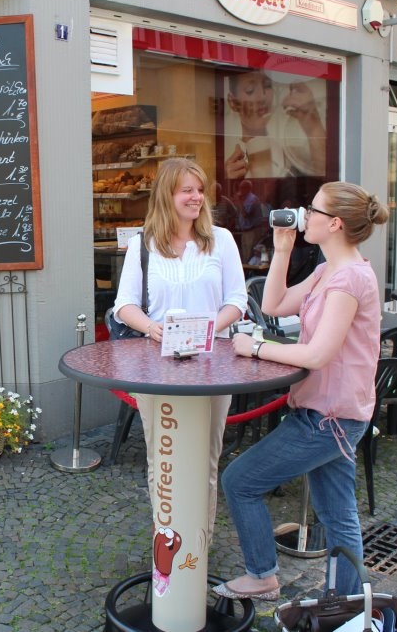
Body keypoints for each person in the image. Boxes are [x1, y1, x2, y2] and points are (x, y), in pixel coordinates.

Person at [213, 181, 390, 602]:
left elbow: (318, 354)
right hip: (335, 412)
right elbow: (273, 305)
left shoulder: (347, 280)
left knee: (239, 481)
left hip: (329, 418)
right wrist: (282, 249)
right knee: (337, 512)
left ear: (335, 223)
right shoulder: (328, 270)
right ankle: (344, 603)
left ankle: (262, 575)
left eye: (312, 209)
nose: (303, 213)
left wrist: (256, 346)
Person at [112, 157, 247, 541]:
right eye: (187, 190)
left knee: (207, 457)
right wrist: (153, 328)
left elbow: (237, 299)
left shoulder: (221, 240)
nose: (197, 197)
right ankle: (167, 542)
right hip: (157, 366)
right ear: (167, 194)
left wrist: (207, 329)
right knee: (162, 457)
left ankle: (200, 542)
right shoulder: (144, 244)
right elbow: (125, 306)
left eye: (200, 190)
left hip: (213, 364)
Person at [223, 70, 327, 180]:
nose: (262, 97)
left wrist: (313, 124)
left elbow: (325, 178)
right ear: (232, 102)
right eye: (250, 90)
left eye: (267, 86)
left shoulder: (292, 157)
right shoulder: (227, 164)